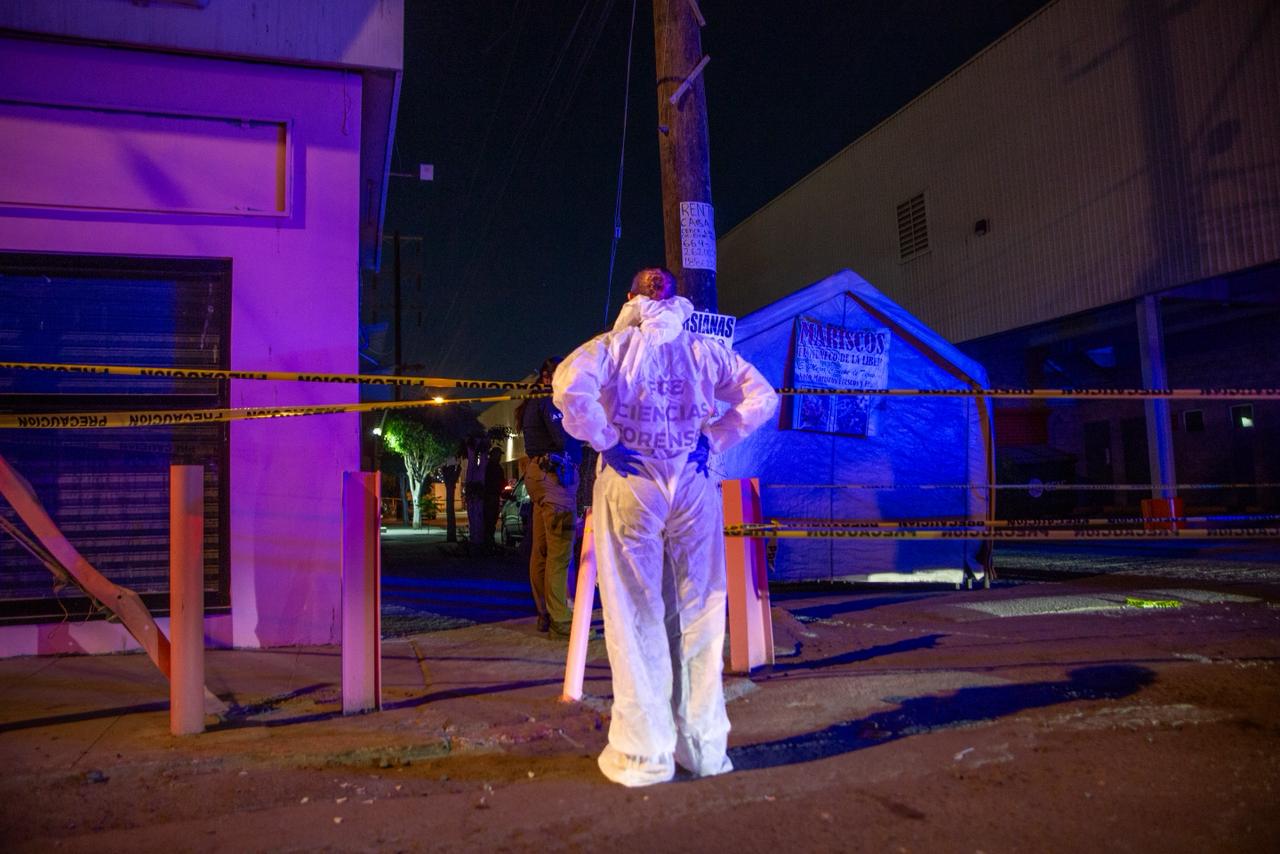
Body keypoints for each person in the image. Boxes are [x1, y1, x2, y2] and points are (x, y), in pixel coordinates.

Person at [552, 267, 778, 787]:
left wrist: (606, 437)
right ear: (678, 300)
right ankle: (702, 747)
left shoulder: (612, 346)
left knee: (635, 612)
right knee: (700, 609)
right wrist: (715, 438)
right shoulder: (705, 349)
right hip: (693, 482)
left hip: (633, 480)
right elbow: (761, 397)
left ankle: (644, 754)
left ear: (632, 298)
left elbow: (568, 389)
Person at [516, 357, 582, 638]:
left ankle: (545, 613)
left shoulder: (534, 401)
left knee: (542, 550)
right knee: (559, 552)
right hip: (555, 476)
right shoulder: (550, 402)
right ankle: (561, 621)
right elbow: (565, 435)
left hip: (539, 475)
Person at [483, 447, 506, 548]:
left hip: (494, 497)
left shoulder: (497, 468)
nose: (499, 457)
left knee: (492, 520)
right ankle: (488, 541)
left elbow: (501, 483)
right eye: (498, 455)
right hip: (489, 497)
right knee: (489, 520)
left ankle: (489, 540)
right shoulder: (488, 467)